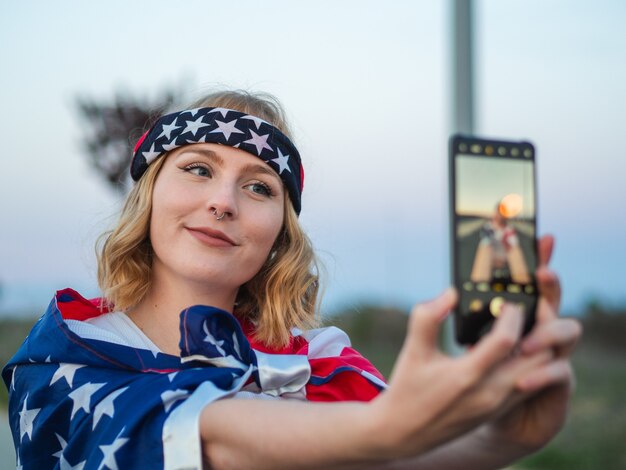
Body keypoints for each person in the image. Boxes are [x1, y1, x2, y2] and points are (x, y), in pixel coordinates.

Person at [3, 90, 581, 470]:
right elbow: (209, 435)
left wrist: (507, 438)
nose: (223, 202)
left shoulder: (320, 360)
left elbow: (391, 454)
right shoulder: (67, 355)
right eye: (198, 169)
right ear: (148, 197)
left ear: (281, 231)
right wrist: (386, 425)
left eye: (259, 187)